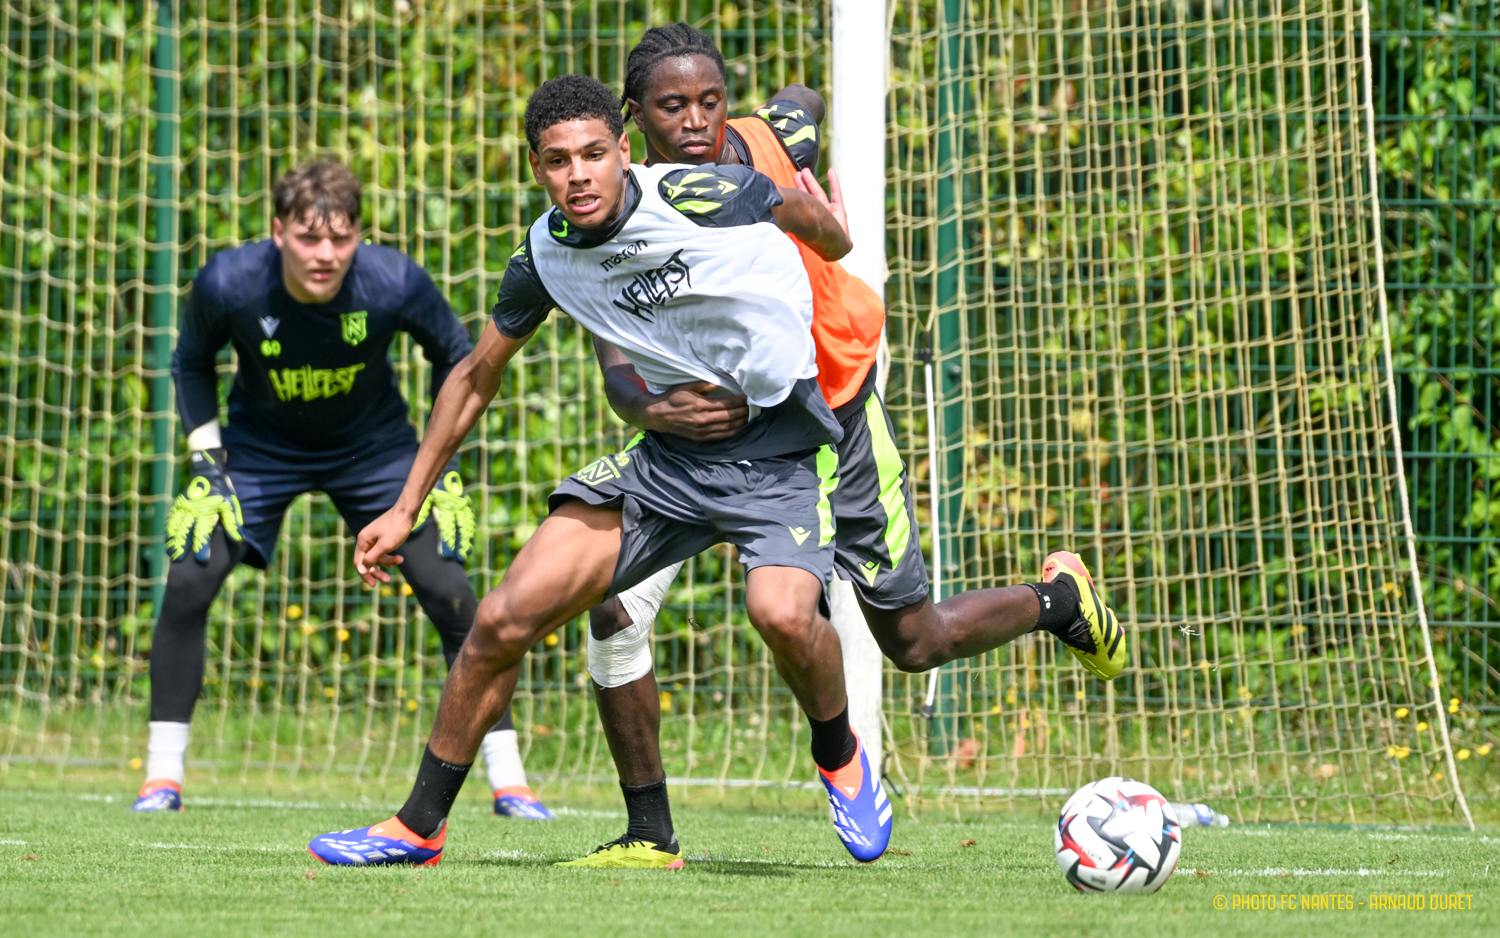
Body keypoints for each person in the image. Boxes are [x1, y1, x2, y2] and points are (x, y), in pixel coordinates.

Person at [570, 23, 1128, 867]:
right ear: (633, 117)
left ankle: (1057, 602)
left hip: (831, 419)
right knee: (610, 606)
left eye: (711, 101)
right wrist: (652, 408)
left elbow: (799, 103)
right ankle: (650, 833)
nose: (695, 120)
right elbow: (614, 361)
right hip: (699, 448)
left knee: (914, 642)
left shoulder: (750, 158)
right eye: (673, 106)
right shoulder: (615, 207)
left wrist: (799, 142)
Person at [306, 73, 892, 868]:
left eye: (592, 154)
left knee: (782, 615)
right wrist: (406, 507)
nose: (578, 175)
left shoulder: (695, 192)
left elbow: (795, 208)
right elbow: (476, 376)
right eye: (557, 161)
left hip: (778, 451)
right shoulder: (544, 255)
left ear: (623, 151)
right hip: (668, 468)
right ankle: (418, 828)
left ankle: (839, 754)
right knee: (501, 620)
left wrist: (835, 239)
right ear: (537, 168)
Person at [138, 159, 553, 821]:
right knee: (189, 576)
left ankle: (511, 783)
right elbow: (190, 361)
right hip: (258, 452)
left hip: (375, 451)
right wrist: (207, 462)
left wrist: (440, 466)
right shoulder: (228, 282)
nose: (325, 254)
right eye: (309, 238)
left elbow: (457, 359)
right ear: (278, 232)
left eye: (340, 238)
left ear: (359, 235)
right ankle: (161, 778)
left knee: (450, 589)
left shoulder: (394, 281)